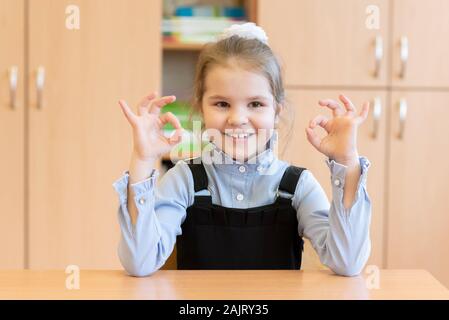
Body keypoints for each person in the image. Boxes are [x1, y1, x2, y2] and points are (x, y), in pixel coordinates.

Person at [113, 23, 372, 277]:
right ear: (202, 109)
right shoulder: (184, 181)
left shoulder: (298, 186)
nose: (237, 118)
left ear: (276, 111)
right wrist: (143, 160)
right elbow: (140, 262)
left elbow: (347, 263)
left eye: (256, 104)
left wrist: (347, 161)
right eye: (222, 103)